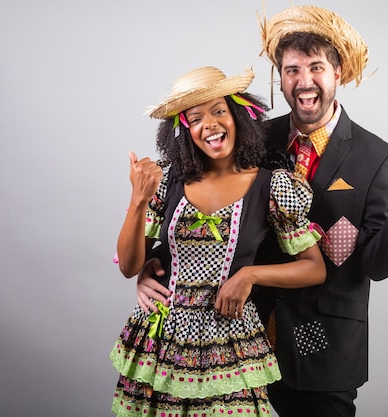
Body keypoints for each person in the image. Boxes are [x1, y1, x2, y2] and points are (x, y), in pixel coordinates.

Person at [136, 5, 388, 417]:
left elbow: (376, 264)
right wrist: (153, 268)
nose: (304, 81)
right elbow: (200, 207)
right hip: (239, 336)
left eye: (316, 67)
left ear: (338, 73)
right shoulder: (253, 137)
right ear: (280, 78)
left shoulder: (376, 157)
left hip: (323, 343)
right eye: (292, 70)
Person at [109, 65, 326, 417]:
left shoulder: (272, 186)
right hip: (163, 340)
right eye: (195, 118)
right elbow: (130, 266)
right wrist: (138, 200)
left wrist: (250, 275)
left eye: (219, 111)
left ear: (239, 116)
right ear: (184, 130)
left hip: (230, 341)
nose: (209, 124)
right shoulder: (169, 183)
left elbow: (314, 268)